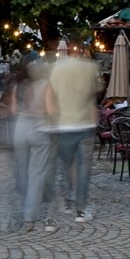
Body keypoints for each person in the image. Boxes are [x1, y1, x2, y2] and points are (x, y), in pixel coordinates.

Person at [45, 45, 100, 223]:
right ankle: (80, 210)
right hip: (85, 123)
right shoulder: (91, 67)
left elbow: (50, 96)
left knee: (67, 166)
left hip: (64, 124)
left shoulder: (56, 69)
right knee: (83, 169)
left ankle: (67, 200)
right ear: (82, 51)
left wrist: (52, 117)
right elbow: (96, 91)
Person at [12, 55, 55, 231]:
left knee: (23, 174)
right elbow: (51, 110)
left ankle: (23, 209)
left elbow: (14, 110)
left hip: (20, 129)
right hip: (39, 129)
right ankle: (29, 218)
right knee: (36, 175)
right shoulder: (45, 84)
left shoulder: (19, 84)